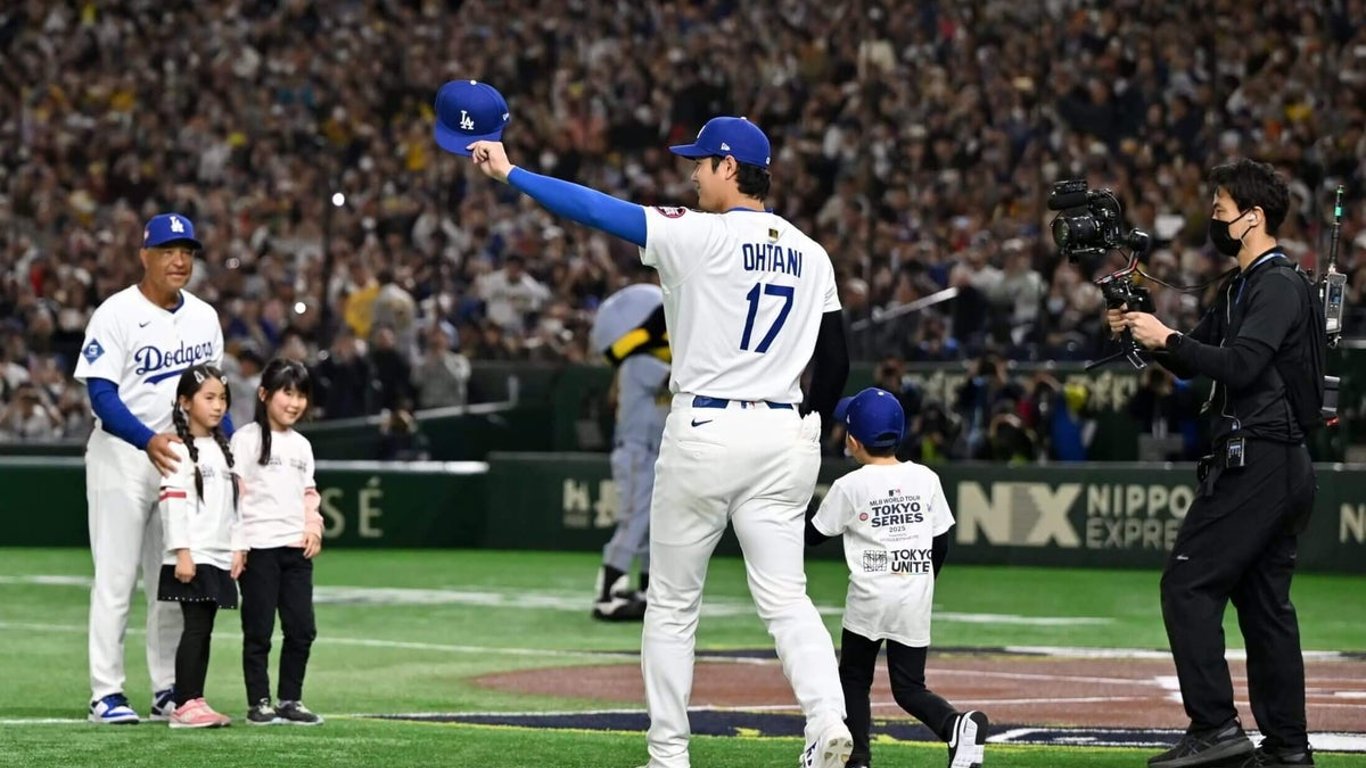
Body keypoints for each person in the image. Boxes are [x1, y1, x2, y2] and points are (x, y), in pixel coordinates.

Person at [465, 114, 853, 768]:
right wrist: (810, 423)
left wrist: (510, 173)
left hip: (707, 427)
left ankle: (669, 755)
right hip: (784, 432)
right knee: (787, 598)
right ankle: (826, 720)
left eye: (700, 163)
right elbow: (837, 359)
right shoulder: (812, 252)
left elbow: (594, 209)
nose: (692, 175)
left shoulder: (698, 234)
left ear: (730, 167)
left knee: (673, 604)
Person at [1114, 159, 1320, 768]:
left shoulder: (1277, 283)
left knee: (1188, 583)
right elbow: (1192, 357)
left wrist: (1169, 339)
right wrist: (1141, 330)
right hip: (1274, 460)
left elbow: (1242, 365)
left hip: (1261, 457)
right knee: (1264, 608)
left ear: (1253, 218)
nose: (1213, 217)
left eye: (1221, 208)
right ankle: (1287, 749)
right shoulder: (1242, 286)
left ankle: (1216, 727)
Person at [73, 213, 228, 724]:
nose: (180, 260)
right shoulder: (115, 313)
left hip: (179, 460)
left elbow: (210, 394)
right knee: (115, 579)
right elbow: (100, 393)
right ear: (145, 256)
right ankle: (106, 693)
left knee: (170, 582)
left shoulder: (205, 317)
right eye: (167, 251)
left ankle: (168, 687)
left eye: (186, 251)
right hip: (122, 454)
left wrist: (218, 453)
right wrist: (146, 439)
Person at [807, 387, 988, 768]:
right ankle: (955, 726)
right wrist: (923, 580)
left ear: (853, 442)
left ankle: (858, 758)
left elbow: (812, 536)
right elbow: (941, 543)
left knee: (854, 677)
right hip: (913, 594)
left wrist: (796, 496)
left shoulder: (850, 486)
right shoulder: (926, 478)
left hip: (870, 596)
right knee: (909, 687)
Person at [229, 358, 325, 726]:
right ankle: (259, 701)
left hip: (295, 550)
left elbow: (309, 494)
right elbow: (234, 498)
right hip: (258, 549)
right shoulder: (246, 440)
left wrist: (312, 527)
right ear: (265, 394)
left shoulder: (302, 445)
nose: (295, 402)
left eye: (301, 394)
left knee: (302, 628)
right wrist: (237, 544)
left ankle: (290, 699)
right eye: (287, 392)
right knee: (258, 629)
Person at [159, 364, 239, 728]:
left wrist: (236, 547)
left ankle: (194, 698)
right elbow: (173, 503)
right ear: (185, 403)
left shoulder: (223, 450)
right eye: (209, 398)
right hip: (194, 554)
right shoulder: (178, 449)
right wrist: (183, 552)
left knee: (203, 628)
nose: (218, 406)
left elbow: (231, 507)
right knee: (195, 627)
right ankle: (184, 703)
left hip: (217, 554)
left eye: (222, 398)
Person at [589, 281, 671, 621]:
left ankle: (649, 593)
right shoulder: (637, 361)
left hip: (654, 452)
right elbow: (677, 379)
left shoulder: (644, 358)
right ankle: (608, 590)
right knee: (634, 520)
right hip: (637, 451)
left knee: (657, 525)